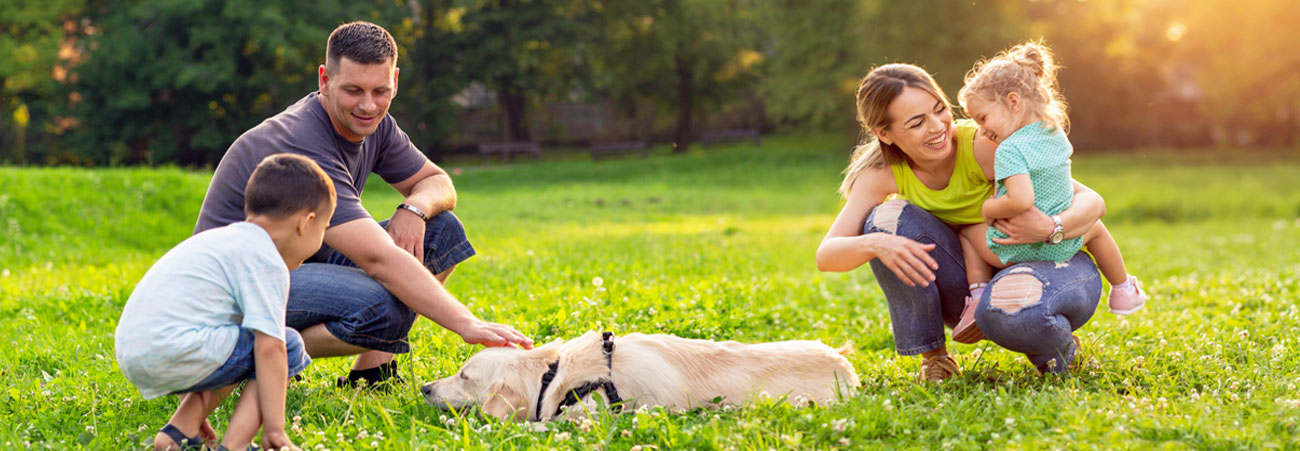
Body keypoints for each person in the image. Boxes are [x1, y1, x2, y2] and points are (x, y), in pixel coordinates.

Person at [194, 21, 532, 388]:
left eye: (380, 90)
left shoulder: (376, 124)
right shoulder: (303, 138)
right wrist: (468, 324)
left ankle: (372, 374)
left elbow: (437, 182)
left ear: (395, 82)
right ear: (324, 79)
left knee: (443, 231)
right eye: (353, 90)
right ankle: (257, 358)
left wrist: (414, 209)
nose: (368, 105)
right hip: (235, 292)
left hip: (302, 258)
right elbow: (378, 259)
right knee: (380, 306)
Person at [816, 62, 1106, 379]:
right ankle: (936, 359)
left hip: (1056, 265)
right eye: (916, 123)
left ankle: (1058, 350)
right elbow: (827, 255)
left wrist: (1052, 227)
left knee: (1015, 307)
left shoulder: (987, 145)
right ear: (884, 134)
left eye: (939, 109)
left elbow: (1092, 201)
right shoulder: (880, 175)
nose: (937, 126)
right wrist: (877, 243)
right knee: (884, 221)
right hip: (976, 288)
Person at [117, 154, 333, 450]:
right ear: (306, 223)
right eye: (324, 229)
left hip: (137, 350)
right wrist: (275, 429)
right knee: (287, 344)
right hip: (175, 348)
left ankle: (179, 431)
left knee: (241, 342)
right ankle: (235, 446)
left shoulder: (223, 241)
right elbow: (271, 349)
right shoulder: (265, 259)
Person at [950, 41, 1147, 344]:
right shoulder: (1054, 133)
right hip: (1064, 243)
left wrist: (989, 209)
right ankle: (1122, 289)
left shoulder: (1010, 149)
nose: (981, 129)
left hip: (1015, 249)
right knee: (1094, 228)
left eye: (983, 118)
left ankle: (977, 296)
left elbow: (1021, 200)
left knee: (967, 235)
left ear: (1013, 101)